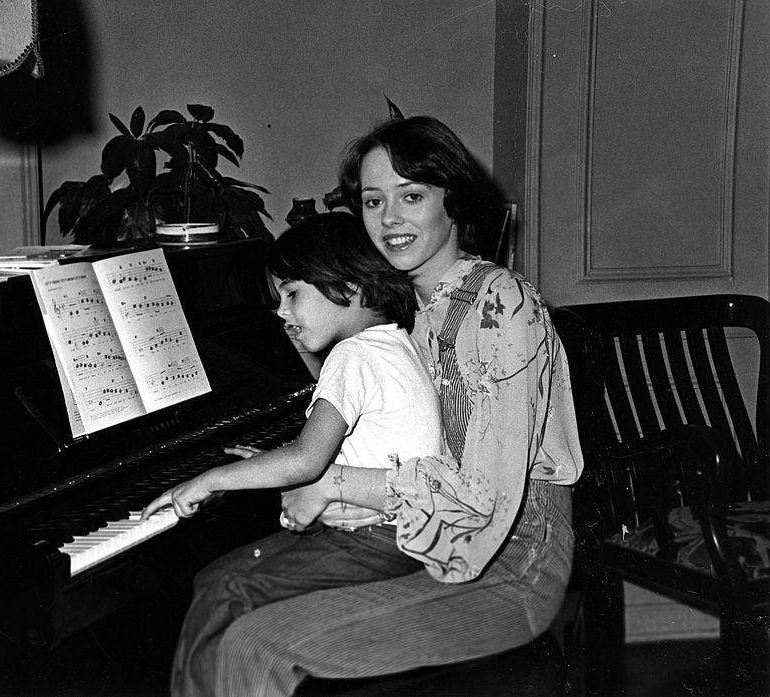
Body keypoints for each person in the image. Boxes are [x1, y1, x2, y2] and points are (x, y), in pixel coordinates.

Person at [162, 115, 585, 697]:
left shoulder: (500, 303)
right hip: (418, 540)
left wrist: (330, 480)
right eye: (372, 200)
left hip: (506, 565)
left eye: (411, 196)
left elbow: (479, 498)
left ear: (453, 200)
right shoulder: (406, 307)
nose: (389, 219)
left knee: (251, 643)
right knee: (221, 589)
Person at [143, 208, 442, 531]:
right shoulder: (398, 342)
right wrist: (265, 466)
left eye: (292, 293)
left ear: (349, 285)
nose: (281, 311)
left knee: (223, 582)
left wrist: (209, 481)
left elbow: (305, 460)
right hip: (407, 531)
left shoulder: (351, 356)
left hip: (372, 540)